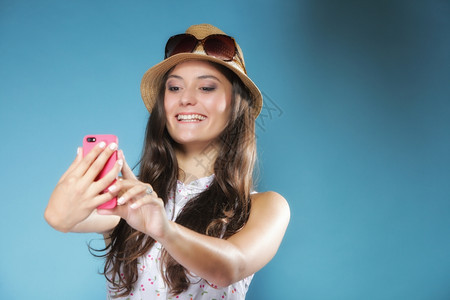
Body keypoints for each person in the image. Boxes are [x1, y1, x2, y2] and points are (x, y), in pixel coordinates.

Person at [44, 24, 290, 299]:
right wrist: (62, 207)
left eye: (207, 87)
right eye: (174, 87)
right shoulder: (129, 199)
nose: (186, 98)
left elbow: (230, 266)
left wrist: (163, 229)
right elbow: (62, 218)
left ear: (236, 105)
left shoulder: (264, 207)